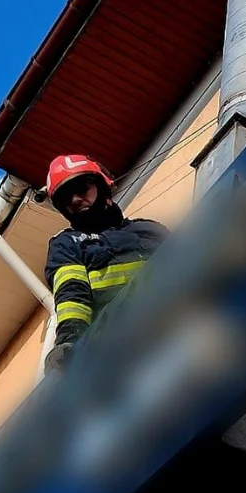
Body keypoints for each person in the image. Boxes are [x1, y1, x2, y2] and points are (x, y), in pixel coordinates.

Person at [41, 154, 168, 377]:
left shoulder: (149, 230)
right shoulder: (67, 243)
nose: (75, 199)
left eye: (80, 188)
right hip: (120, 352)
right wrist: (69, 341)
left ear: (102, 187)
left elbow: (188, 262)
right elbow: (72, 296)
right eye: (65, 198)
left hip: (172, 324)